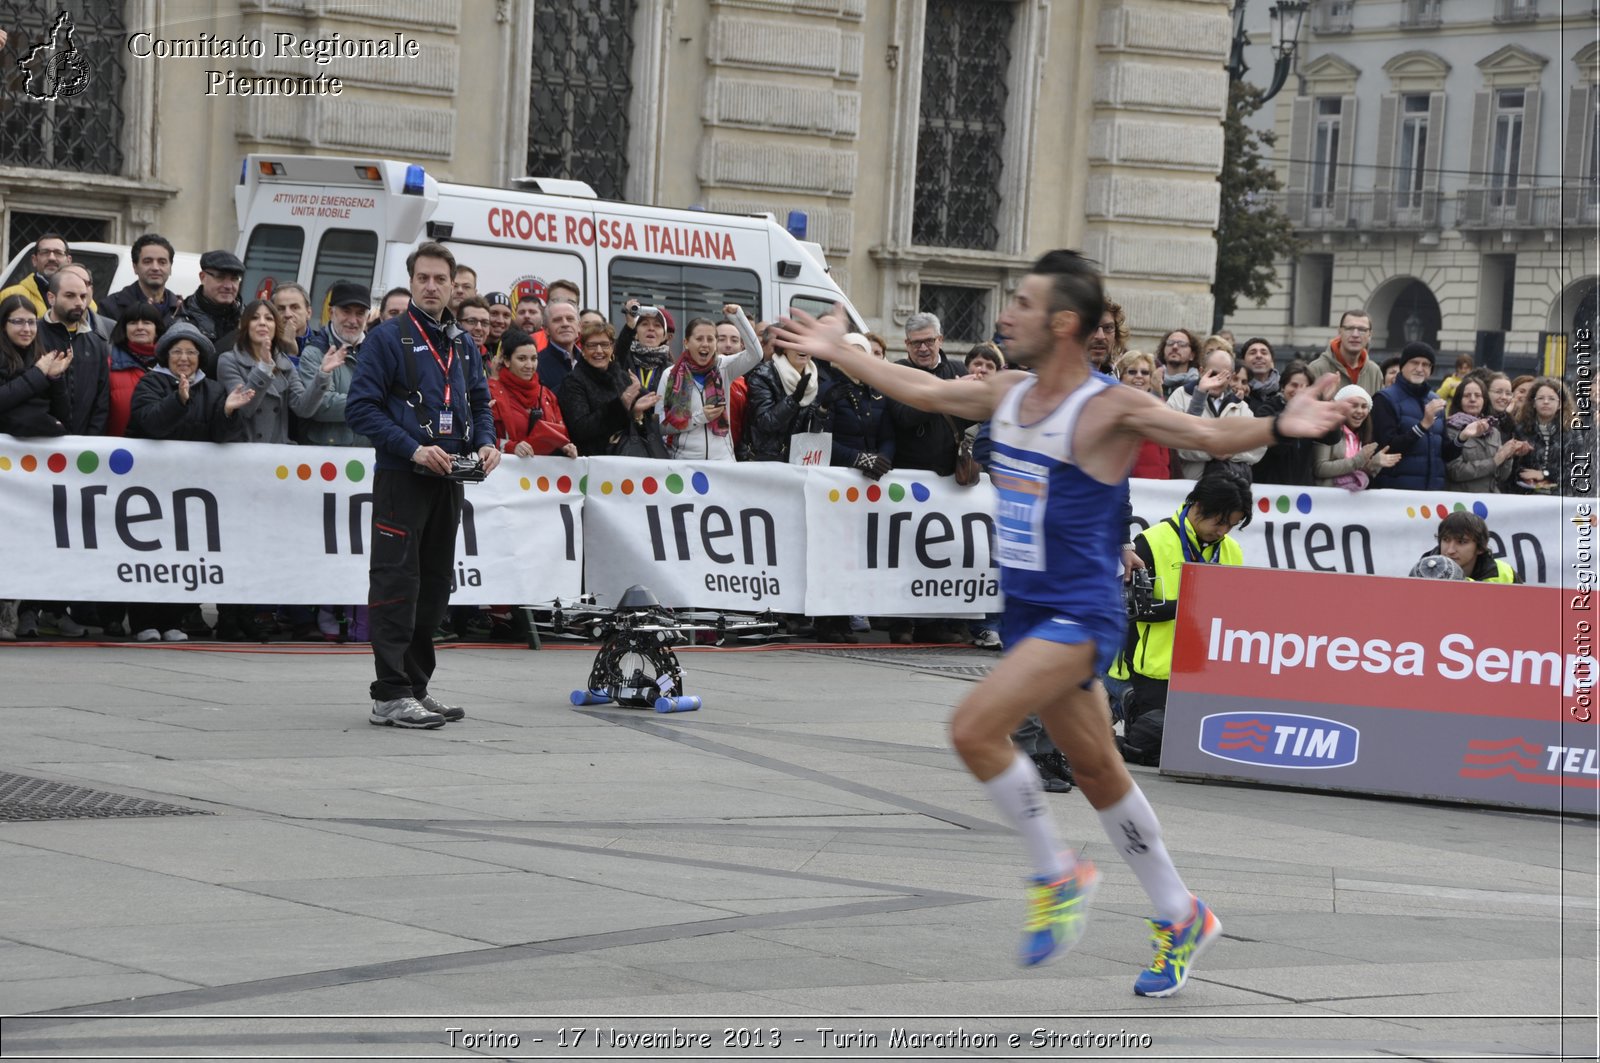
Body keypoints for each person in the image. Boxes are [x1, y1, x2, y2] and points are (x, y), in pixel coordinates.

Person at [774, 249, 1352, 998]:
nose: (1007, 313)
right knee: (1098, 769)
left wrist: (1282, 422)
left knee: (973, 728)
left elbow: (1202, 438)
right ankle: (1182, 913)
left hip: (1082, 610)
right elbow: (922, 386)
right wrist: (838, 353)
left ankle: (1057, 872)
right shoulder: (1010, 391)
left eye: (1023, 302)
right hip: (1027, 610)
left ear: (1065, 323)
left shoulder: (1106, 407)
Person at [345, 242, 501, 729]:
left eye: (440, 279)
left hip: (450, 477)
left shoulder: (463, 342)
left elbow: (479, 403)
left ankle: (416, 686)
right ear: (411, 283)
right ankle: (389, 693)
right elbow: (360, 409)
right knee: (397, 583)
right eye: (423, 279)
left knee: (434, 586)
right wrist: (413, 448)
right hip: (402, 477)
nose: (432, 287)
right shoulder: (387, 338)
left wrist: (487, 444)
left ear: (454, 286)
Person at [1110, 472, 1252, 767]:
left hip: (1203, 671)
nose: (1224, 531)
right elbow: (1134, 609)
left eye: (1232, 525)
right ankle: (1123, 703)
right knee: (1155, 746)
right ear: (1198, 507)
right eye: (1220, 522)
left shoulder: (1232, 551)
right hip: (1152, 667)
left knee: (1201, 747)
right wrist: (1194, 603)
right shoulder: (1149, 542)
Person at [125, 324, 256, 640]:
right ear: (166, 355)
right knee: (151, 555)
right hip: (151, 492)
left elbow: (226, 439)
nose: (184, 358)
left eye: (191, 352)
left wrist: (226, 412)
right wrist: (178, 400)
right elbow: (150, 424)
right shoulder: (150, 383)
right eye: (177, 352)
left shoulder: (213, 390)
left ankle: (173, 620)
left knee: (188, 554)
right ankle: (144, 622)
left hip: (195, 494)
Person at [217, 299, 330, 444]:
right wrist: (264, 368)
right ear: (244, 325)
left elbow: (303, 408)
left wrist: (323, 375)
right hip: (243, 451)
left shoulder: (284, 363)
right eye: (255, 318)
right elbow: (244, 409)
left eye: (269, 318)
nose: (262, 323)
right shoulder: (229, 360)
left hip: (276, 455)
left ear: (276, 327)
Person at [658, 305, 762, 461]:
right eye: (699, 339)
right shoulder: (670, 375)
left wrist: (738, 318)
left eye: (711, 339)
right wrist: (700, 417)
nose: (705, 344)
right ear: (686, 342)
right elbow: (662, 427)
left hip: (722, 462)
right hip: (685, 463)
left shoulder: (724, 367)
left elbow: (756, 354)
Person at [558, 320, 659, 456]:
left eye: (605, 345)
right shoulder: (573, 381)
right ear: (583, 350)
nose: (599, 351)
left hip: (626, 458)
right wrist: (620, 404)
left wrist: (636, 413)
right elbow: (580, 429)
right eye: (592, 346)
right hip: (593, 463)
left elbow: (643, 425)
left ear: (612, 348)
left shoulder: (622, 376)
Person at [1166, 348, 1264, 481]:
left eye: (1225, 376)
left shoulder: (1240, 406)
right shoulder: (1181, 396)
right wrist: (1210, 450)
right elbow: (1172, 442)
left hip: (1227, 489)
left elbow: (1259, 446)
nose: (1217, 380)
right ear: (1201, 371)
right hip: (1188, 489)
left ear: (1231, 377)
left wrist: (1230, 451)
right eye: (1213, 374)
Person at [1371, 341, 1455, 491]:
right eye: (1414, 363)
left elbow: (1445, 453)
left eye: (1426, 364)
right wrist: (1422, 426)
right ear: (1402, 366)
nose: (1419, 369)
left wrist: (1463, 438)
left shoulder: (1436, 401)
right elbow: (1387, 448)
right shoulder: (1384, 399)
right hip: (1396, 492)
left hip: (1431, 494)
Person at [297, 281, 370, 447]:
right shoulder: (314, 353)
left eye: (360, 313)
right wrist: (371, 402)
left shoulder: (379, 352)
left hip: (367, 458)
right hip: (325, 460)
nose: (353, 320)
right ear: (331, 312)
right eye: (346, 311)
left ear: (368, 316)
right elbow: (320, 405)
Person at [38, 268, 110, 436]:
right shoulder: (32, 336)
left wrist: (91, 440)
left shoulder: (97, 342)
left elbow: (102, 401)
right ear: (51, 298)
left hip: (83, 447)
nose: (79, 302)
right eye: (70, 296)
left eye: (83, 296)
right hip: (39, 443)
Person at [490, 327, 576, 457]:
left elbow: (561, 434)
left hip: (543, 475)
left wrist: (566, 446)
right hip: (505, 474)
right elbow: (481, 438)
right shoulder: (490, 392)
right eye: (522, 358)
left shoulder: (547, 395)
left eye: (534, 358)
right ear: (507, 361)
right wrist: (510, 447)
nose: (529, 365)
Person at [1444, 372, 1528, 493]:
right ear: (1459, 400)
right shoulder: (1451, 428)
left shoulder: (1493, 431)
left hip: (1491, 499)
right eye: (1467, 395)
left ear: (1484, 400)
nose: (1473, 399)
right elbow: (1455, 472)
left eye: (1478, 395)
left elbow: (1502, 476)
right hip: (1464, 499)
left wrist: (1508, 455)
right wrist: (1494, 462)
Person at [1313, 384, 1401, 490]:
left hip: (1352, 502)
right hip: (1326, 500)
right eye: (1354, 405)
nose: (1359, 411)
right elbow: (1319, 468)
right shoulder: (1328, 429)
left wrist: (1374, 464)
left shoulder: (1362, 435)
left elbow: (1356, 471)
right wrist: (1357, 460)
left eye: (1364, 406)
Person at [1512, 377, 1587, 495]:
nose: (1546, 402)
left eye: (1551, 399)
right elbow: (1512, 468)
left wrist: (1545, 474)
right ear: (1533, 403)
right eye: (1541, 398)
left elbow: (1579, 467)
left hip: (1561, 497)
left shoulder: (1572, 431)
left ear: (1560, 404)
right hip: (1526, 495)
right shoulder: (1520, 430)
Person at [106, 303, 165, 437]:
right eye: (133, 323)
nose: (139, 327)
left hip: (162, 451)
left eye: (147, 322)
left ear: (157, 329)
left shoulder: (170, 364)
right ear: (124, 329)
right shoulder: (108, 365)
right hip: (117, 449)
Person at [101, 233, 182, 325]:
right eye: (147, 262)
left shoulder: (182, 310)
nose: (155, 268)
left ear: (170, 268)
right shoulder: (110, 307)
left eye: (162, 262)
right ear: (135, 267)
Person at [1417, 511, 1518, 584]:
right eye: (1446, 540)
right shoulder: (1422, 570)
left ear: (1480, 548)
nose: (1450, 550)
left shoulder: (1505, 573)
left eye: (1461, 542)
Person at [1115, 352, 1169, 479]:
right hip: (1129, 487)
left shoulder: (1161, 405)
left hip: (1162, 488)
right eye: (1132, 372)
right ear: (1121, 377)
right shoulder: (1114, 407)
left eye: (1145, 373)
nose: (1139, 376)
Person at [1307, 310, 1383, 395]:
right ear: (1340, 332)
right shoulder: (1316, 369)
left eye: (1362, 330)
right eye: (1349, 329)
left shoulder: (1374, 372)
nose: (1355, 334)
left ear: (1370, 335)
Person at [0, 233, 71, 315]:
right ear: (34, 260)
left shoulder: (82, 299)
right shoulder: (10, 295)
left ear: (68, 261)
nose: (52, 258)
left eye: (58, 253)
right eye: (45, 252)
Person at [536, 301, 583, 395]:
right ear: (546, 330)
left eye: (570, 319)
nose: (565, 324)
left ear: (579, 327)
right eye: (557, 320)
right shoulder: (535, 365)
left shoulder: (590, 361)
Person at [1157, 329, 1199, 397]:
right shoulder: (1152, 382)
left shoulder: (1198, 387)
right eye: (1170, 343)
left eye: (1182, 344)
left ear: (1192, 355)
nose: (1175, 347)